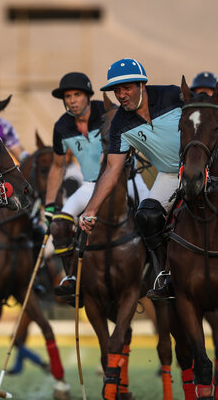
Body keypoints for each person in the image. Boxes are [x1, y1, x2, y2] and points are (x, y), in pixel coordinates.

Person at [79, 58, 218, 300]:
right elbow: (112, 169)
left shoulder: (171, 95)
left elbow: (206, 111)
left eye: (126, 87)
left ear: (141, 84)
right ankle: (166, 273)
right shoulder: (119, 124)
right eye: (116, 90)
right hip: (170, 173)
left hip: (210, 164)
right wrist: (91, 210)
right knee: (146, 217)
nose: (121, 95)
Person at [43, 72, 149, 298]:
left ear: (88, 96)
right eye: (68, 96)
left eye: (77, 95)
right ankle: (72, 276)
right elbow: (57, 166)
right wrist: (50, 204)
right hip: (91, 185)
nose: (72, 100)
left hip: (127, 180)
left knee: (152, 217)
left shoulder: (108, 112)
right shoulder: (61, 126)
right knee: (59, 225)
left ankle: (158, 270)